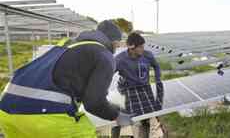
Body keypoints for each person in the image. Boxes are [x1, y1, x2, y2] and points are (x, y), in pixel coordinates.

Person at [0, 20, 133, 138]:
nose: (116, 49)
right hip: (44, 115)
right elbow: (94, 103)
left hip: (6, 110)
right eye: (117, 45)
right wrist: (117, 116)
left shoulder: (67, 45)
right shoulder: (104, 55)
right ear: (114, 42)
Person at [115, 32, 162, 138]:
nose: (142, 49)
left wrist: (158, 80)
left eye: (143, 46)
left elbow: (156, 66)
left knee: (147, 116)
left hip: (145, 89)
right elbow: (107, 74)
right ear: (131, 47)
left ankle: (146, 131)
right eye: (140, 47)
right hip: (129, 90)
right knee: (132, 118)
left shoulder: (148, 55)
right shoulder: (120, 59)